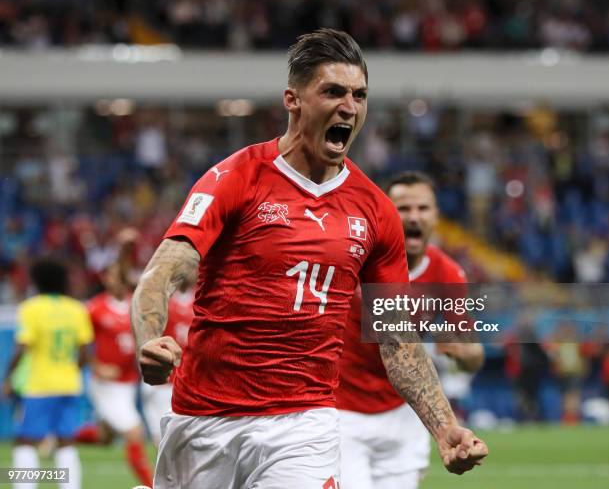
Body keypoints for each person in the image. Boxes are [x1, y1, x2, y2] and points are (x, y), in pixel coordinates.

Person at [132, 29, 488, 489]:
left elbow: (398, 338)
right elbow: (163, 270)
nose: (350, 106)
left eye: (359, 95)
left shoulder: (375, 210)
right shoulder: (237, 177)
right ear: (293, 100)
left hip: (306, 422)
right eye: (333, 92)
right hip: (206, 416)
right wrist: (150, 338)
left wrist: (444, 427)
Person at [337, 171, 485, 489]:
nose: (413, 216)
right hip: (341, 412)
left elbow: (473, 353)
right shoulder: (353, 259)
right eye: (403, 208)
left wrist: (465, 353)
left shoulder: (447, 275)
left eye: (423, 208)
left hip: (405, 414)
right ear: (385, 214)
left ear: (436, 216)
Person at [2, 258, 93, 489]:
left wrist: (8, 378)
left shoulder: (31, 308)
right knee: (65, 442)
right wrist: (72, 370)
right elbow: (84, 352)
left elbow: (21, 348)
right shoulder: (76, 309)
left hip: (40, 386)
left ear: (37, 281)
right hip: (68, 384)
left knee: (26, 441)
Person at [87, 262, 153, 487]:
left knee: (104, 438)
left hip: (129, 382)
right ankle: (152, 485)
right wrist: (96, 366)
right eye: (111, 276)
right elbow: (81, 344)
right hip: (107, 385)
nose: (115, 280)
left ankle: (60, 437)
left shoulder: (136, 304)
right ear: (105, 279)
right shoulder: (95, 308)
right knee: (135, 432)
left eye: (119, 276)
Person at [141, 272, 195, 445]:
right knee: (163, 437)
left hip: (190, 381)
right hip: (165, 380)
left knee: (187, 439)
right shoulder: (163, 302)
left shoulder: (203, 301)